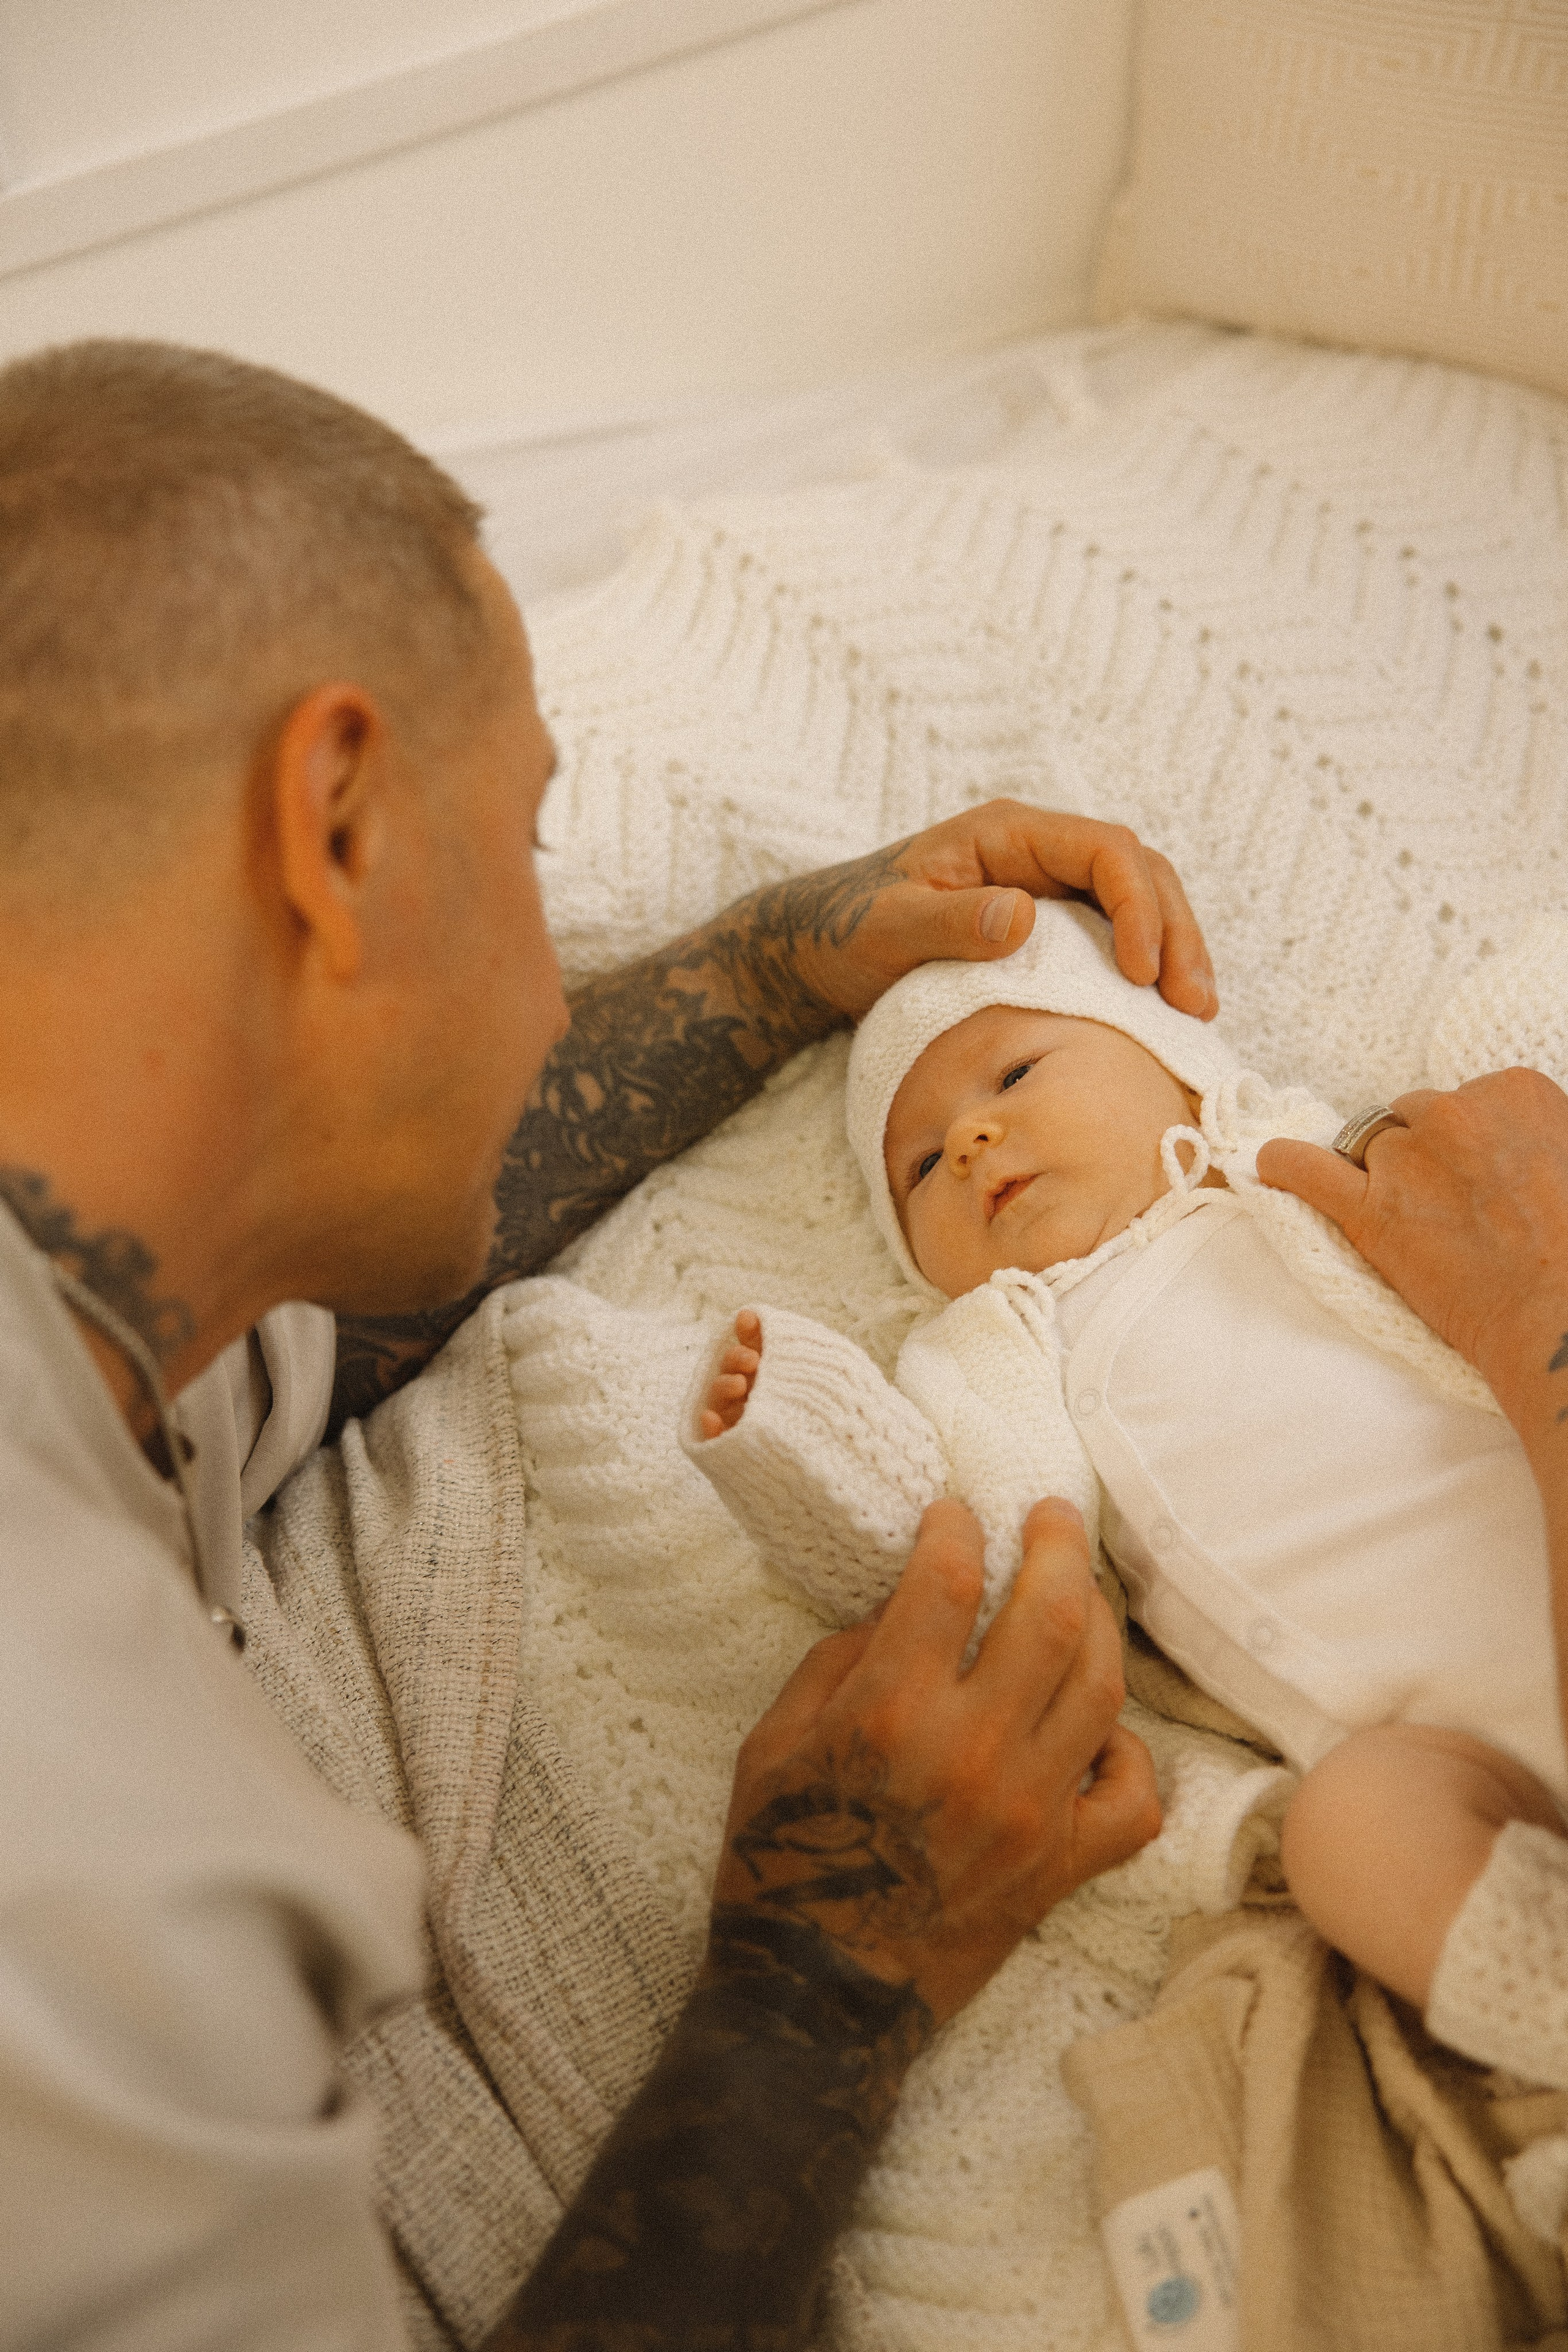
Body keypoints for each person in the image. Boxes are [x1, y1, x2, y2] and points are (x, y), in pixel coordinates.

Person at [0, 339, 1219, 2348]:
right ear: (336, 833)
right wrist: (825, 1975)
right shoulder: (106, 1895)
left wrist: (770, 965)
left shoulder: (88, 1308)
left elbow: (295, 1338)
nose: (547, 925)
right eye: (528, 831)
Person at [691, 900, 1568, 2067]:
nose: (970, 1142)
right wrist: (794, 1420)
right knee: (1346, 1832)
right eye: (919, 1163)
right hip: (1455, 1753)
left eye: (1014, 1070)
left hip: (1525, 1507)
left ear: (1172, 1064)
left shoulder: (1292, 1168)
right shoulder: (994, 1350)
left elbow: (1495, 1174)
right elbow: (941, 1555)